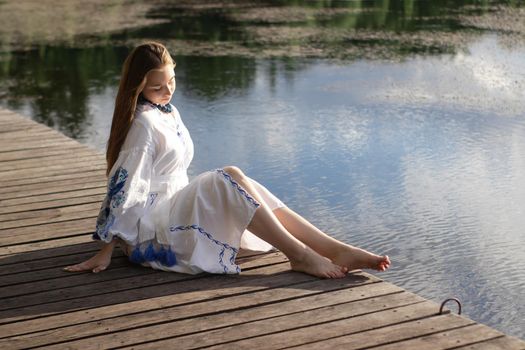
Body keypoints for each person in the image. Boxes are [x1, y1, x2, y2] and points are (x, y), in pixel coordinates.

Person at [64, 42, 390, 279]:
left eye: (171, 81)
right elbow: (124, 186)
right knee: (228, 176)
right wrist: (106, 247)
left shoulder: (169, 113)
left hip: (174, 212)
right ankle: (301, 255)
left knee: (244, 184)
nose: (167, 91)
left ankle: (332, 247)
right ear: (138, 87)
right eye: (156, 87)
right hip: (149, 235)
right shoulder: (143, 125)